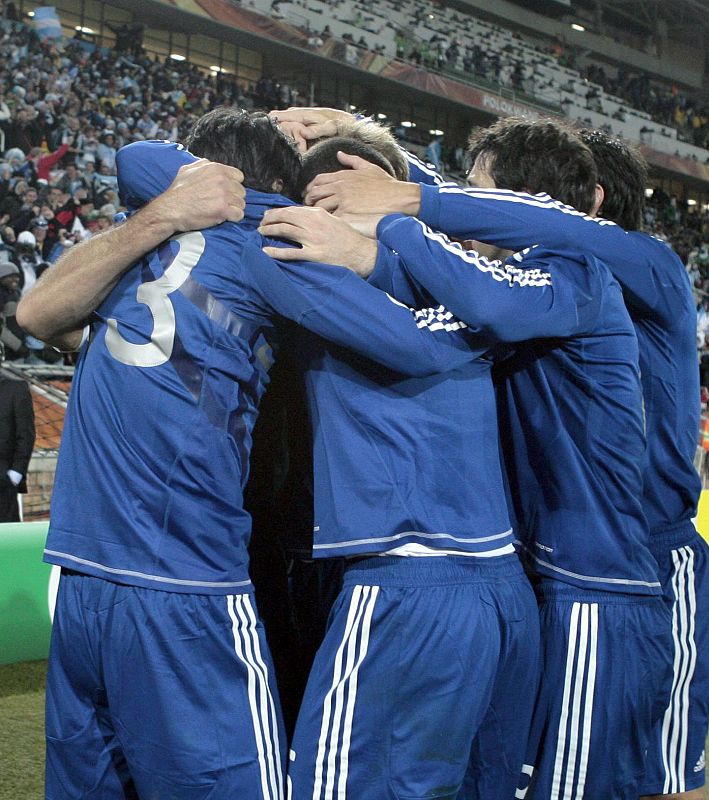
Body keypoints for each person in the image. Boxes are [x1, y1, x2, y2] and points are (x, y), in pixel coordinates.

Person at [18, 109, 510, 800]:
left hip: (82, 576)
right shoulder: (268, 241)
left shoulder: (132, 259)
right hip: (187, 581)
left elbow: (38, 308)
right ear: (277, 189)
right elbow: (419, 343)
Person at [265, 110, 671, 800]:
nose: (462, 202)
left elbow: (481, 300)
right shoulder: (479, 279)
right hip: (536, 584)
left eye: (476, 190)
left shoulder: (572, 268)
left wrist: (394, 219)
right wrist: (368, 155)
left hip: (595, 589)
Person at [0, 365, 35, 522]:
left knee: (6, 543)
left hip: (4, 483)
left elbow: (26, 434)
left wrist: (15, 474)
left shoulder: (16, 389)